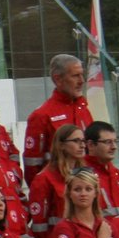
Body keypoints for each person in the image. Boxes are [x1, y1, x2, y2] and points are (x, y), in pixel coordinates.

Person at [22, 54, 93, 183]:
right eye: (75, 76)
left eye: (82, 75)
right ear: (58, 79)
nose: (82, 80)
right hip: (58, 189)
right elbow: (32, 165)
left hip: (86, 187)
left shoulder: (84, 109)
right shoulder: (41, 116)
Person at [28, 123, 86, 238]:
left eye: (83, 141)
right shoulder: (44, 179)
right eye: (76, 141)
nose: (82, 145)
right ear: (61, 145)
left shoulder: (86, 175)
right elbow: (39, 226)